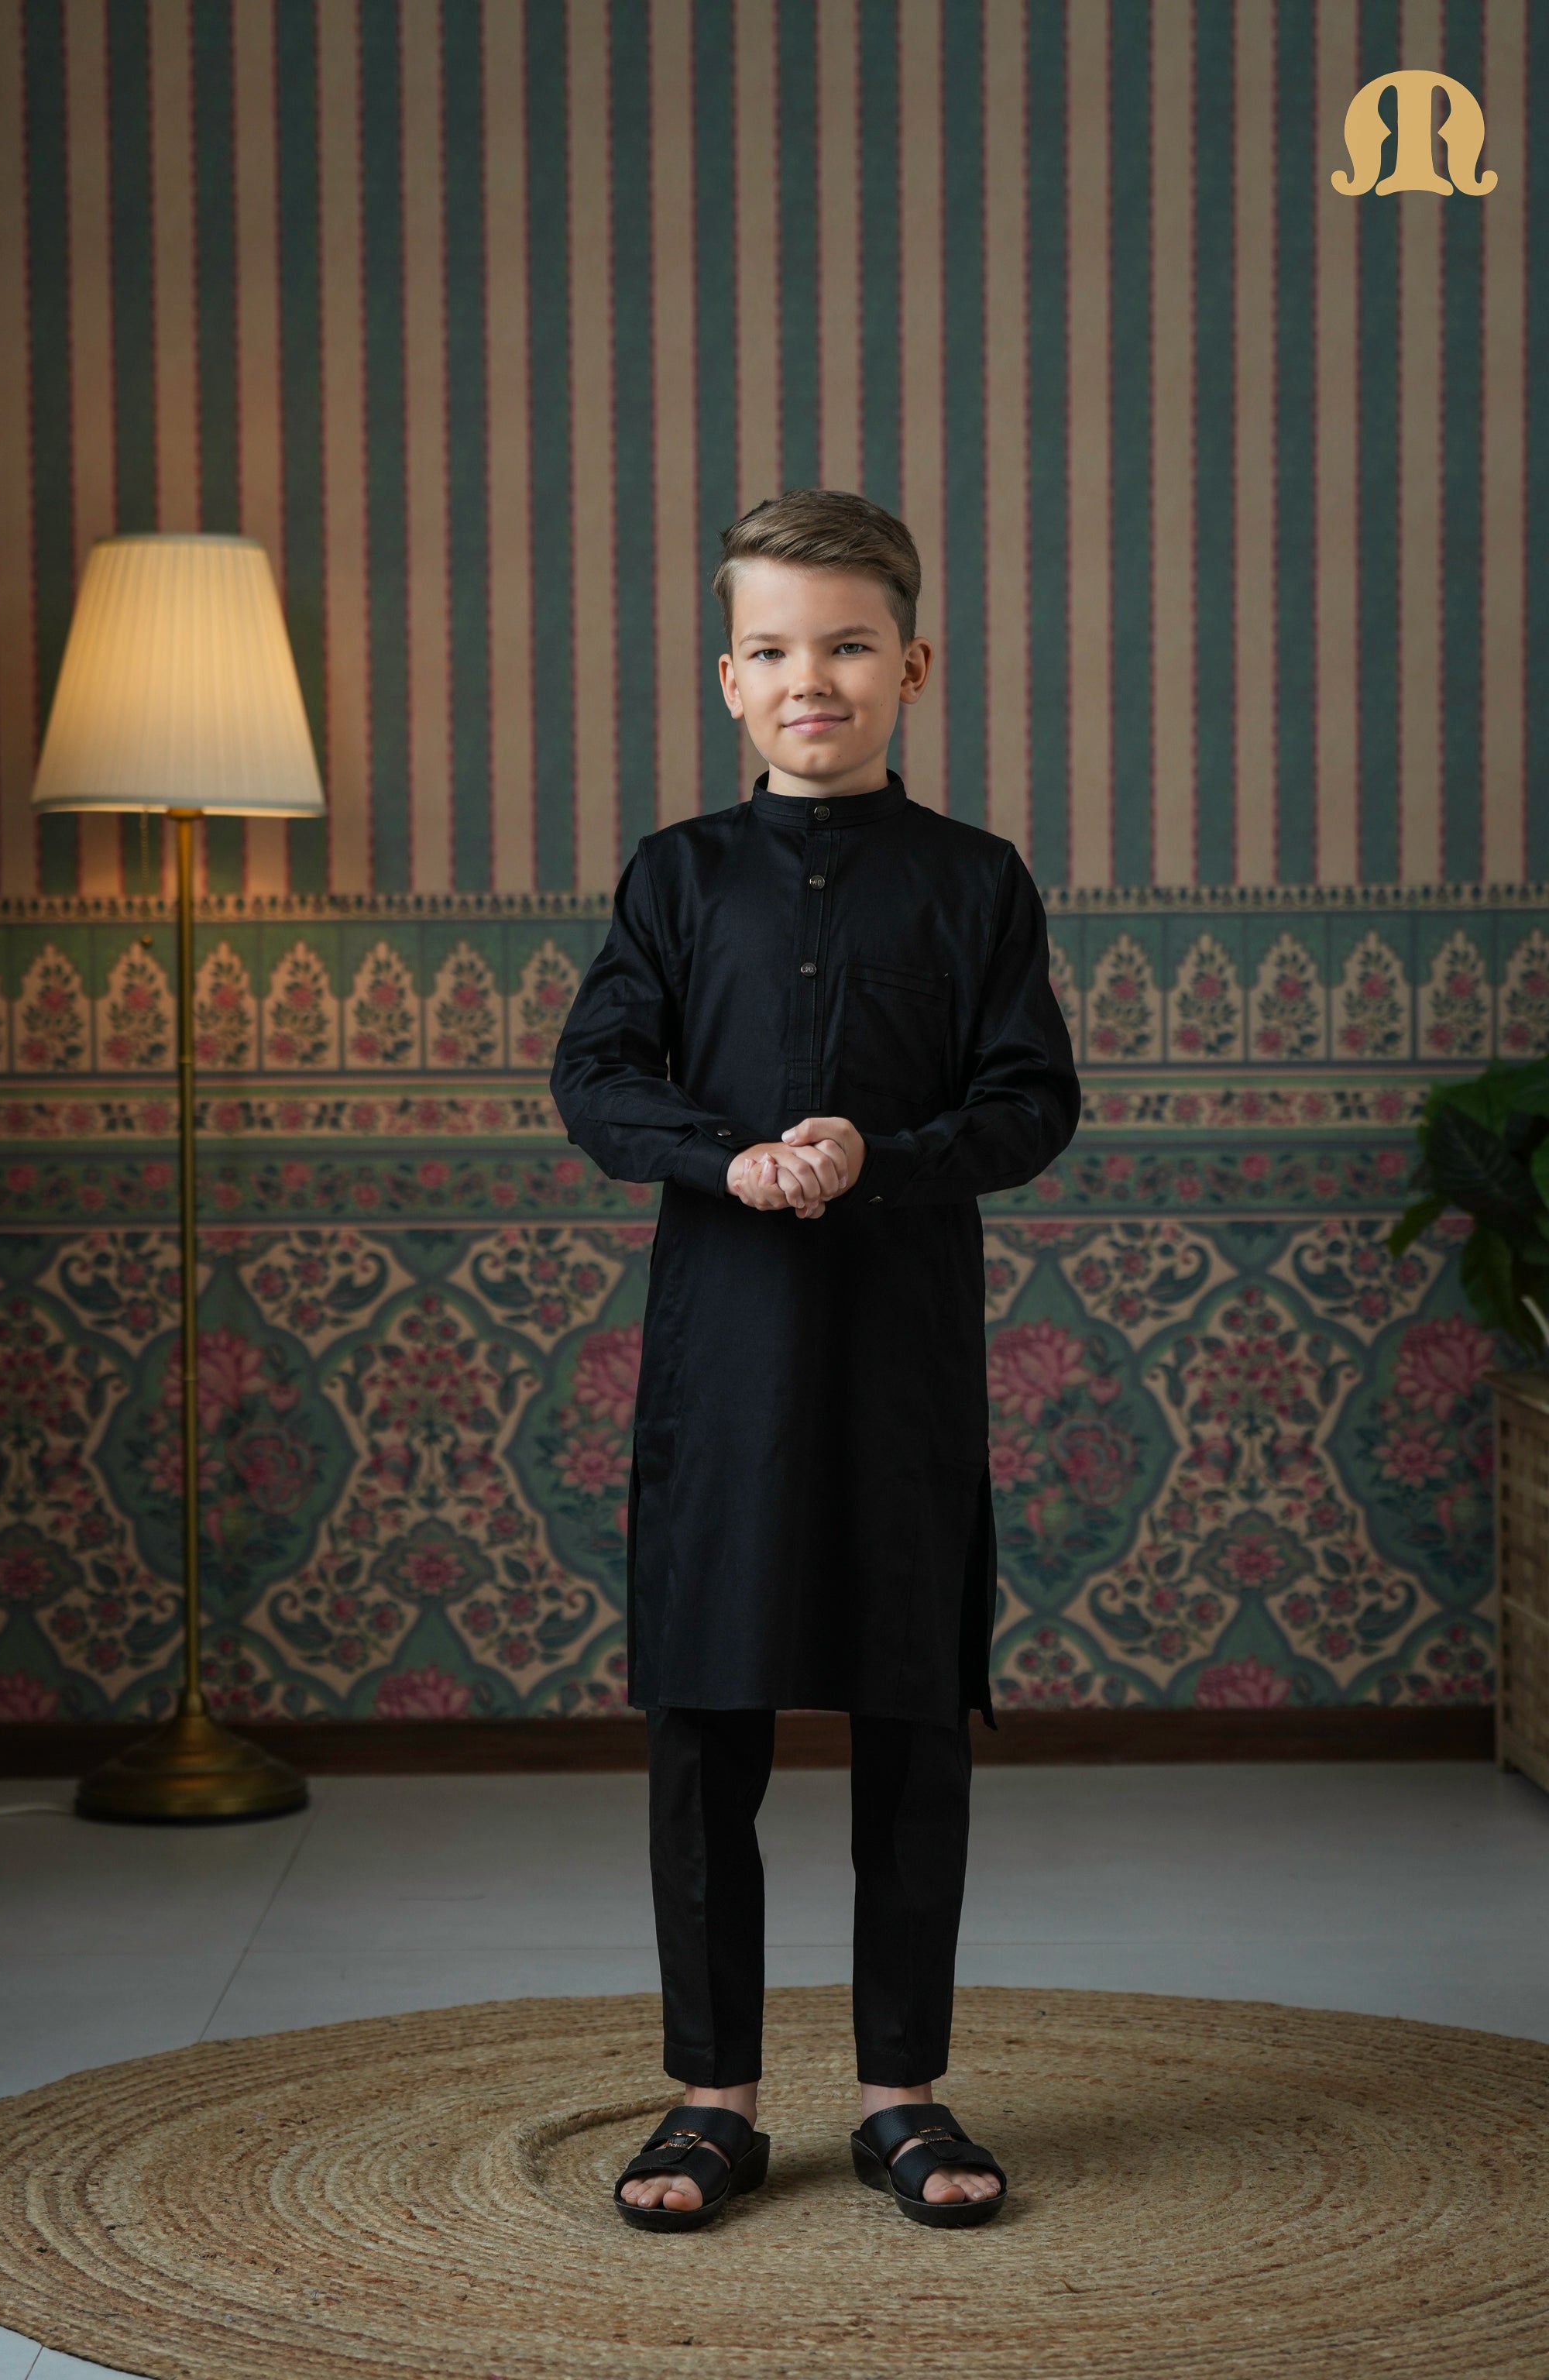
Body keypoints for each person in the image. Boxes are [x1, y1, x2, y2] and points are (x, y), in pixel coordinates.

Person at [549, 487, 1080, 2233]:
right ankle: (711, 2102)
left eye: (848, 646)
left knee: (913, 1727)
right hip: (722, 1377)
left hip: (902, 1371)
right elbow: (597, 1081)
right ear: (728, 677)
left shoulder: (975, 881)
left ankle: (900, 2095)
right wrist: (729, 1160)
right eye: (772, 649)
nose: (811, 679)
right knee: (705, 1731)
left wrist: (879, 1155)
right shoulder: (676, 876)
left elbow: (1031, 1102)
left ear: (910, 667)